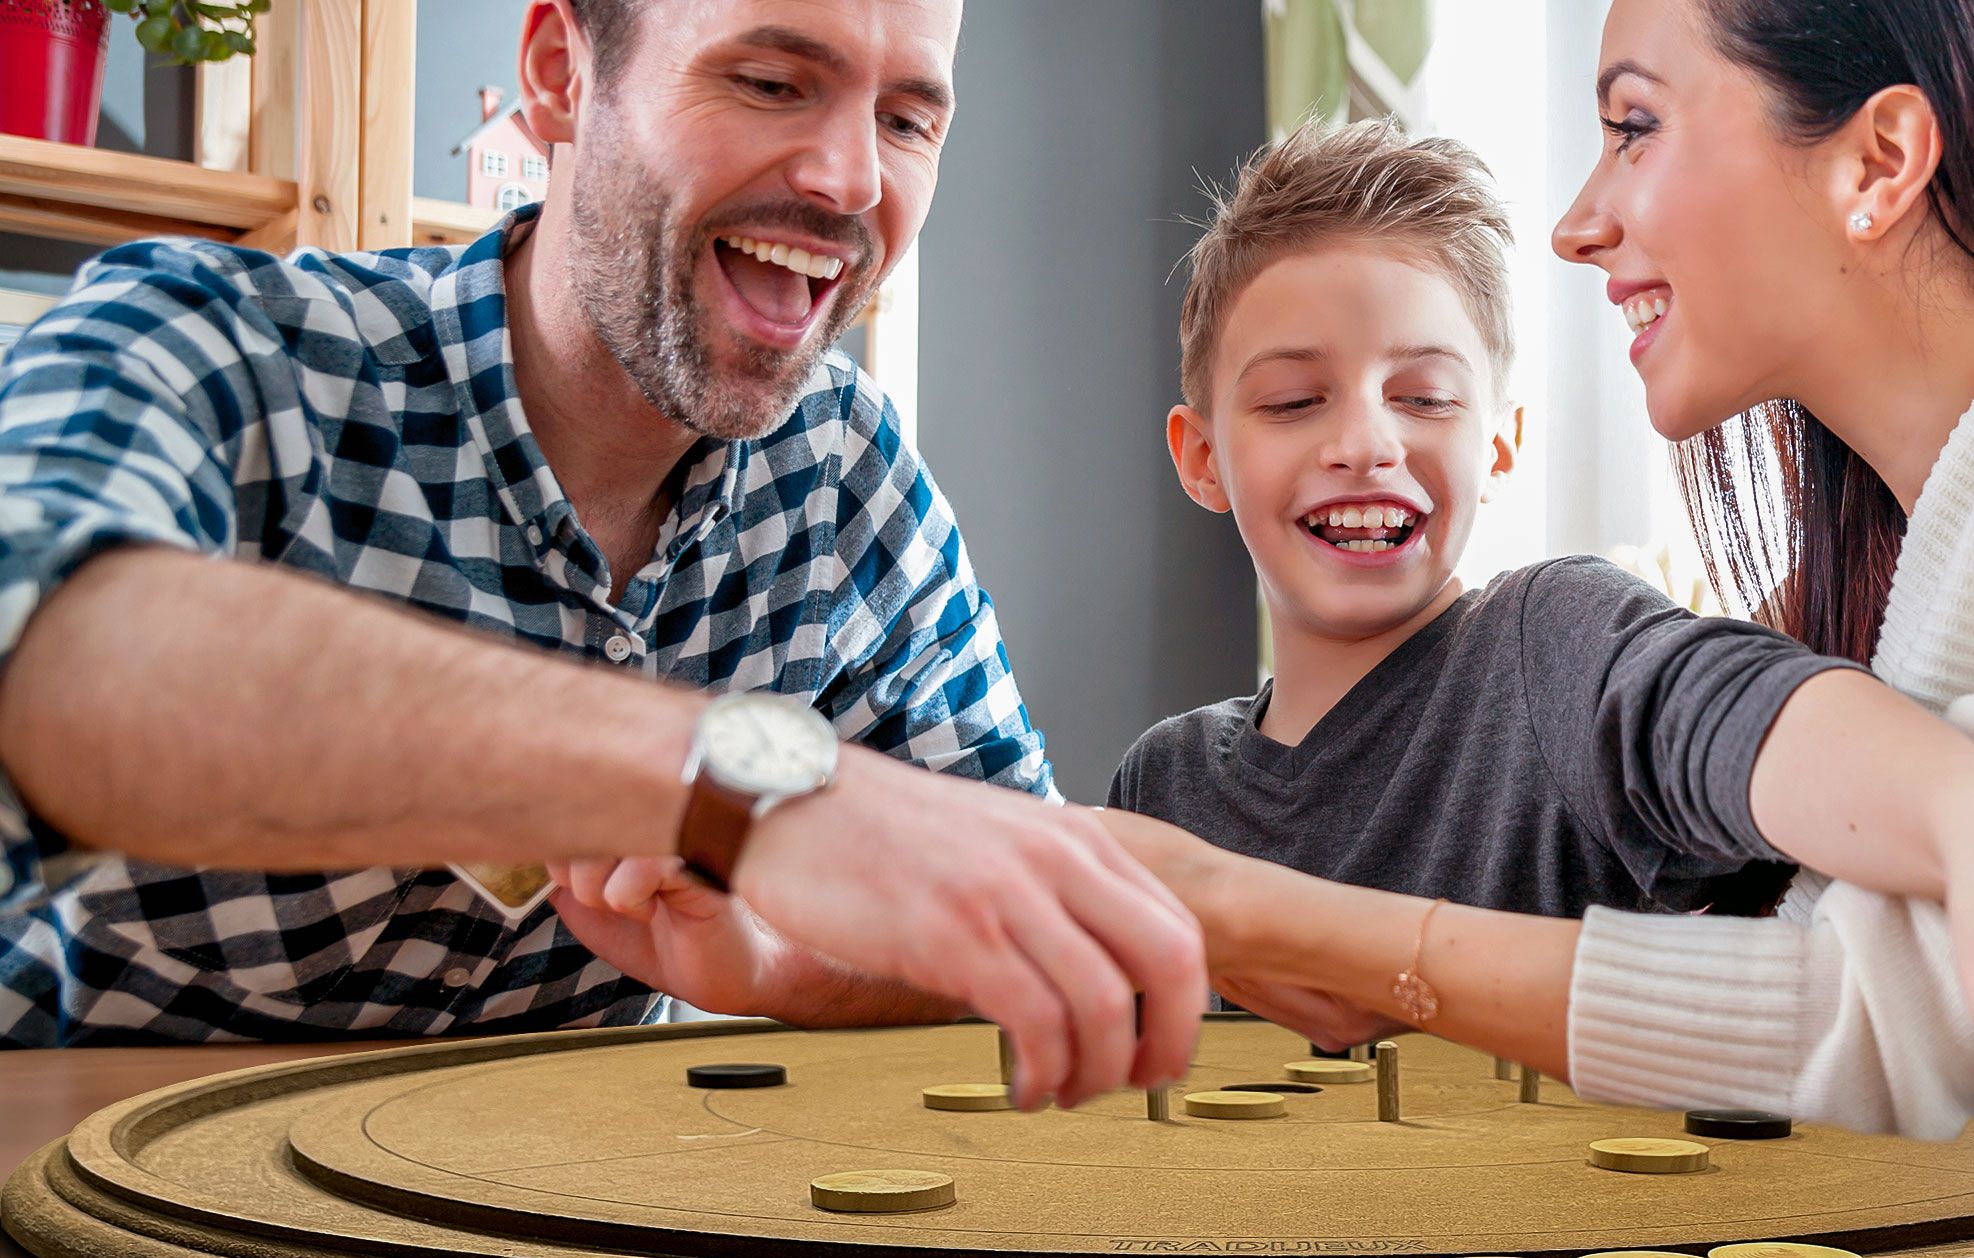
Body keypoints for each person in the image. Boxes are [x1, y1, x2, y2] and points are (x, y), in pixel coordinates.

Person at [1106, 0, 1974, 1200]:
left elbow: (1907, 1023)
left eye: (1634, 125)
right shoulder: (1877, 581)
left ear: (1879, 160)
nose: (1583, 223)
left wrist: (1252, 911)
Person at [0, 0, 1204, 1112]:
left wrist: (782, 958)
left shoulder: (844, 469)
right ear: (559, 74)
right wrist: (735, 782)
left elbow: (1001, 911)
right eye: (773, 81)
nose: (851, 178)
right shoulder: (222, 343)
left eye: (905, 120)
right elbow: (41, 645)